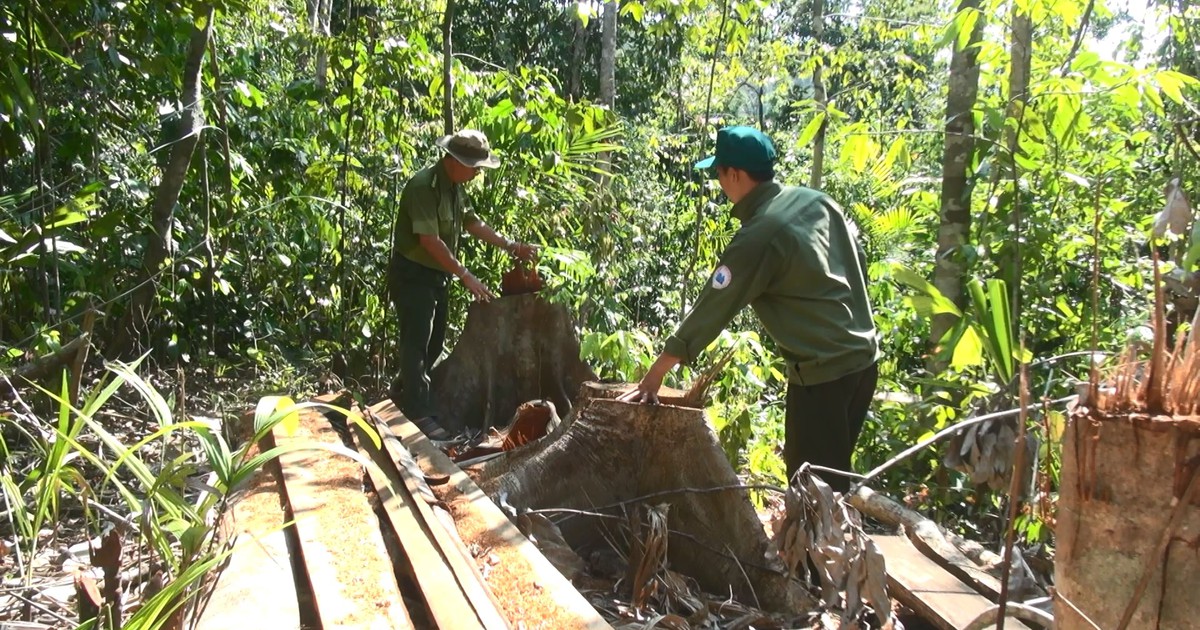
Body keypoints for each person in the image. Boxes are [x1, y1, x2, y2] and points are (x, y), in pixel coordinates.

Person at [619, 125, 880, 494]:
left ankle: (822, 536)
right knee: (833, 483)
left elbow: (712, 308)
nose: (719, 182)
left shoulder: (760, 234)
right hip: (864, 362)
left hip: (823, 378)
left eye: (719, 173)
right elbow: (858, 262)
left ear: (736, 174)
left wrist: (654, 375)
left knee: (814, 494)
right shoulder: (816, 202)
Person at [387, 129, 536, 425]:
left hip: (437, 276)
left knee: (434, 344)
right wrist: (465, 275)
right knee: (416, 344)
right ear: (456, 161)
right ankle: (419, 415)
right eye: (475, 167)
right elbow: (429, 241)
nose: (478, 173)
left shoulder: (455, 187)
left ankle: (403, 394)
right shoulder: (424, 187)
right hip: (413, 275)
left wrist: (511, 245)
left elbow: (472, 223)